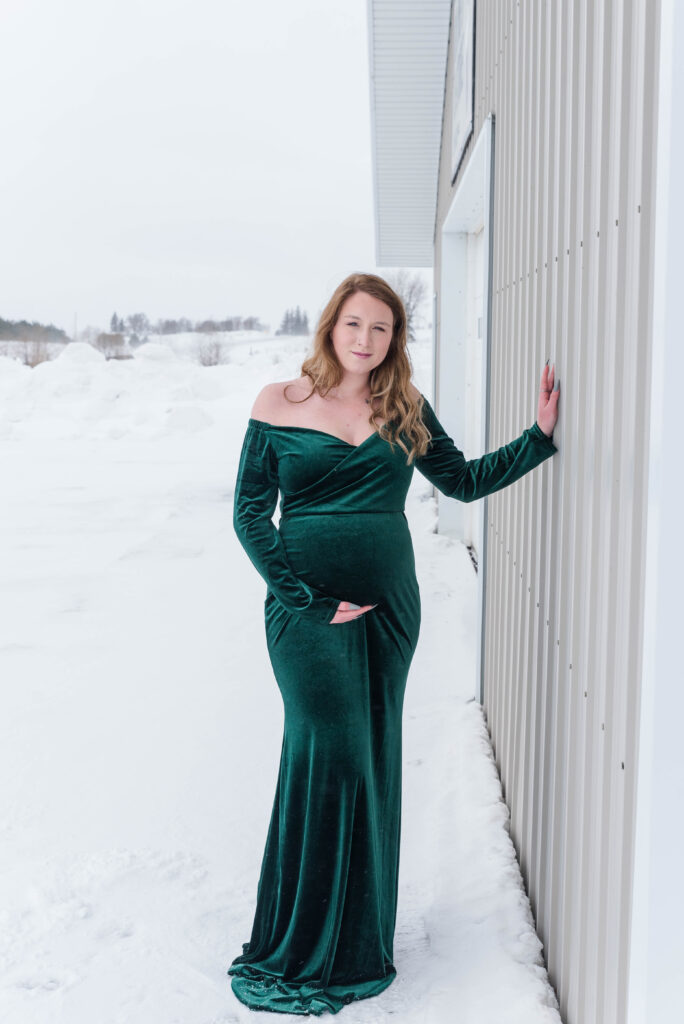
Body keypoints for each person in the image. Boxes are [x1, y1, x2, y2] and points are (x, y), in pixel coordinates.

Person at [227, 272, 560, 1015]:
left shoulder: (404, 405)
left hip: (388, 612)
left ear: (393, 340)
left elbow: (464, 481)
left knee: (370, 755)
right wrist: (306, 597)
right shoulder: (278, 403)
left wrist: (537, 439)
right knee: (330, 749)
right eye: (354, 324)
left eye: (381, 329)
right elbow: (251, 516)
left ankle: (357, 940)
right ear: (330, 326)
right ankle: (302, 937)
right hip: (304, 615)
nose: (365, 339)